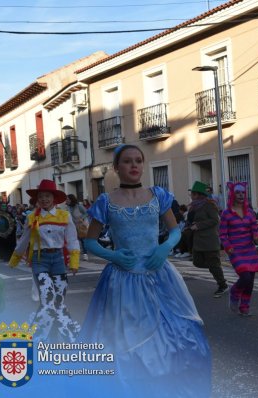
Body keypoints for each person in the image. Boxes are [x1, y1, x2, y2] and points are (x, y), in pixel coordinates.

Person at [79, 144, 211, 397]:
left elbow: (174, 231)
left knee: (177, 337)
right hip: (122, 279)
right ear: (117, 167)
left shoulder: (158, 195)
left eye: (138, 160)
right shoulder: (105, 201)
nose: (134, 166)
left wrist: (165, 249)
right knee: (125, 341)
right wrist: (113, 255)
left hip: (159, 275)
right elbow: (90, 241)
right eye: (127, 161)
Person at [8, 179, 81, 342]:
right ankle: (36, 338)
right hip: (40, 260)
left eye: (47, 196)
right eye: (41, 196)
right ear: (37, 199)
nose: (44, 199)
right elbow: (24, 240)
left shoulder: (64, 216)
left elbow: (72, 239)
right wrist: (15, 259)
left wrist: (74, 262)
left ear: (54, 198)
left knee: (59, 302)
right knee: (48, 299)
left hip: (58, 260)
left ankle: (60, 336)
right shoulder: (32, 217)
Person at [220, 182, 258, 316]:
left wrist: (256, 236)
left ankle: (244, 307)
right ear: (232, 194)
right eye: (238, 193)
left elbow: (254, 230)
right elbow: (222, 234)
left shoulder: (250, 212)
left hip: (249, 249)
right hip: (236, 250)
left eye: (243, 193)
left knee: (251, 280)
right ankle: (234, 292)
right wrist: (227, 246)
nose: (240, 195)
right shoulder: (226, 213)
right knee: (245, 277)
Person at [188, 180, 228, 298]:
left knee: (213, 265)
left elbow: (215, 220)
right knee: (197, 262)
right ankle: (215, 267)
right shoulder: (194, 206)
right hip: (198, 240)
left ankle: (222, 285)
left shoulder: (209, 204)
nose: (191, 196)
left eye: (192, 193)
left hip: (209, 240)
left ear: (198, 194)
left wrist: (199, 225)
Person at [66, 194, 89, 261]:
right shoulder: (68, 207)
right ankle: (74, 255)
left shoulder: (79, 206)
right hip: (72, 226)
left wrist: (82, 218)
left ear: (71, 199)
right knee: (73, 240)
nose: (66, 200)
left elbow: (87, 212)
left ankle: (85, 254)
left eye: (67, 199)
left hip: (81, 226)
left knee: (83, 240)